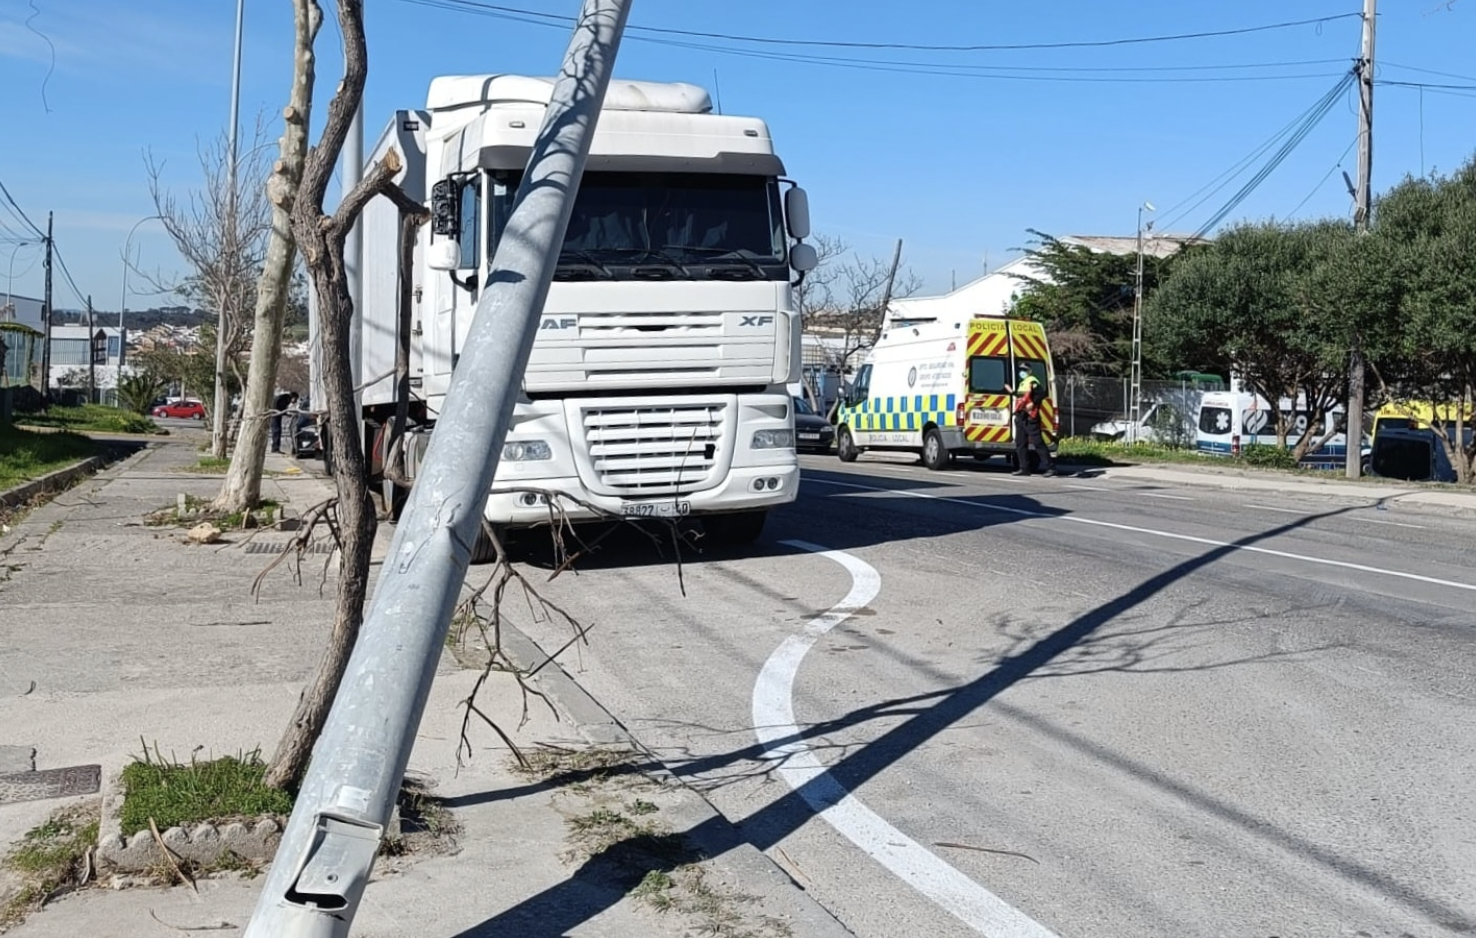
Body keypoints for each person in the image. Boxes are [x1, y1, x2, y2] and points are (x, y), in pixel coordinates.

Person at [1006, 366, 1056, 477]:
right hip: (1021, 416)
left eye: (1024, 370)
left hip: (1030, 417)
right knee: (1020, 443)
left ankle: (1050, 467)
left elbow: (1041, 393)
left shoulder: (1032, 381)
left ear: (1029, 371)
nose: (1022, 372)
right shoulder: (1023, 383)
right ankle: (1024, 468)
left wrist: (1032, 403)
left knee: (1038, 443)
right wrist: (1012, 392)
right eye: (1020, 370)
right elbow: (1022, 398)